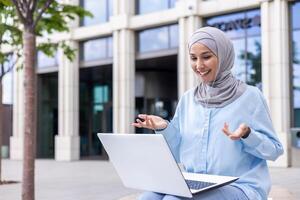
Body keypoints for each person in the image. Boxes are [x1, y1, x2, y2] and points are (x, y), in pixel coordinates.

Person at [131, 26, 283, 200]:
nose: (199, 65)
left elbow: (274, 151)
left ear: (224, 56)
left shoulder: (251, 96)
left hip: (240, 186)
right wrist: (164, 127)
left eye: (206, 57)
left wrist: (248, 135)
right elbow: (178, 153)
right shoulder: (188, 99)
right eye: (193, 58)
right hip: (196, 183)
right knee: (148, 198)